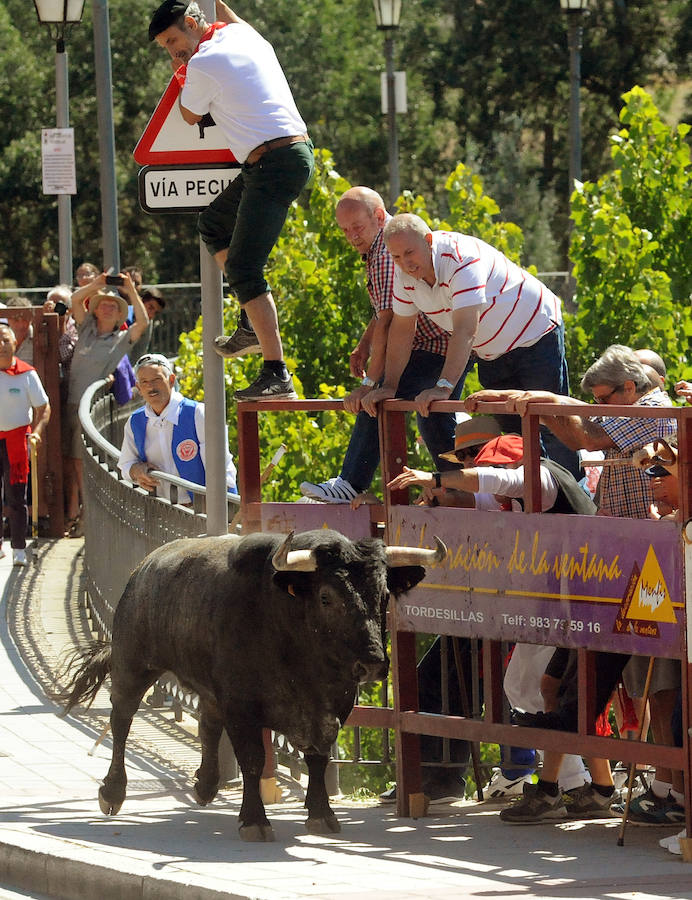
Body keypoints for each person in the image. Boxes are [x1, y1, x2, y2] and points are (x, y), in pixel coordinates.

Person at [466, 345, 678, 824]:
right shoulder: (626, 411)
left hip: (646, 572)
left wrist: (531, 400)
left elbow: (582, 431)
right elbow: (581, 431)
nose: (599, 403)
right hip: (615, 568)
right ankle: (584, 786)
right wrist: (532, 402)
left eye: (604, 396)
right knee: (562, 682)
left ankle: (663, 791)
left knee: (655, 692)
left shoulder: (652, 410)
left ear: (631, 387)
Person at [385, 430, 599, 807]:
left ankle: (578, 783)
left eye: (476, 462)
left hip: (581, 600)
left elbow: (498, 482)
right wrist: (437, 496)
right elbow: (478, 494)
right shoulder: (514, 493)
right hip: (553, 603)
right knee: (523, 685)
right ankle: (575, 780)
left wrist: (432, 478)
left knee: (555, 689)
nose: (474, 473)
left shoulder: (540, 479)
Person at [149, 0, 314, 401]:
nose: (173, 52)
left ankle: (277, 375)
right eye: (166, 49)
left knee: (243, 266)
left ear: (192, 22)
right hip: (279, 158)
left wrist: (182, 69)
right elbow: (229, 15)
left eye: (173, 40)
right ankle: (249, 321)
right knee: (213, 224)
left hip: (274, 161)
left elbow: (189, 116)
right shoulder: (244, 35)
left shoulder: (203, 63)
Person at [360, 213, 577, 476]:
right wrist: (390, 386)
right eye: (396, 257)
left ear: (428, 241)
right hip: (491, 352)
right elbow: (403, 330)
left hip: (536, 332)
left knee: (554, 425)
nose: (405, 263)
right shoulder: (402, 273)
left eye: (409, 253)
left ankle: (574, 504)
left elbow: (464, 330)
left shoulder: (460, 258)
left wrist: (443, 387)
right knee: (514, 435)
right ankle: (533, 507)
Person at [299, 187, 464, 504]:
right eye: (345, 230)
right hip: (435, 343)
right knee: (434, 418)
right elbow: (384, 312)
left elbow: (390, 323)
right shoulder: (379, 249)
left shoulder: (388, 251)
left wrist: (369, 382)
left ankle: (351, 482)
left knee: (375, 401)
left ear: (377, 217)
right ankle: (459, 488)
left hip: (435, 344)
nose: (351, 236)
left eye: (357, 227)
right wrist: (364, 345)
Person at [62, 273, 148, 538]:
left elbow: (143, 322)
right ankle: (80, 514)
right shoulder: (85, 327)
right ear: (95, 309)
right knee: (71, 460)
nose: (108, 306)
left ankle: (88, 516)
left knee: (82, 462)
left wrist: (131, 290)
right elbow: (75, 299)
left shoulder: (121, 339)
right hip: (71, 403)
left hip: (92, 409)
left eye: (114, 305)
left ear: (120, 313)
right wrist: (97, 283)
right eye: (103, 303)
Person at [118, 353, 237, 501]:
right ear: (138, 388)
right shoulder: (135, 422)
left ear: (171, 380)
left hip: (202, 510)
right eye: (144, 382)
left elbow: (221, 468)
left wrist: (216, 510)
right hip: (162, 512)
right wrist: (136, 471)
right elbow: (125, 464)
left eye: (157, 379)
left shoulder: (198, 413)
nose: (150, 387)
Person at [0, 324, 50, 567]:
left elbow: (43, 407)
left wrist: (37, 432)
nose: (1, 345)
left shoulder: (26, 373)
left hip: (16, 442)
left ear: (15, 344)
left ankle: (19, 547)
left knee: (16, 498)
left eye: (4, 340)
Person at [4, 297, 35, 364]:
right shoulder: (1, 339)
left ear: (31, 319)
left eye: (25, 319)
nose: (21, 325)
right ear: (8, 319)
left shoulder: (39, 338)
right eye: (16, 320)